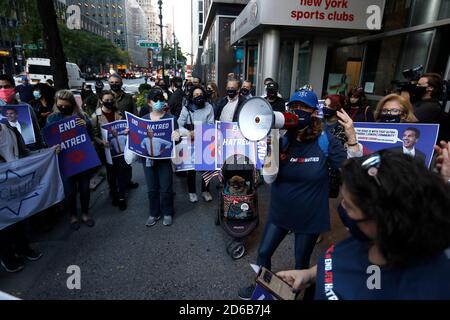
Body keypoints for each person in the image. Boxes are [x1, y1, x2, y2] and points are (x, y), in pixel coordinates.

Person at [277, 150, 450, 299]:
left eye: (349, 205)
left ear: (383, 220)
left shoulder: (423, 288)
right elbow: (344, 262)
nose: (341, 207)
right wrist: (310, 275)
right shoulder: (365, 238)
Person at [238, 89, 348, 300]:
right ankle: (263, 291)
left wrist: (352, 141)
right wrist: (273, 141)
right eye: (294, 106)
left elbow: (348, 166)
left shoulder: (325, 139)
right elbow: (269, 179)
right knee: (263, 253)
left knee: (301, 263)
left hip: (309, 215)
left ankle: (302, 297)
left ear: (314, 111)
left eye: (304, 107)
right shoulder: (283, 138)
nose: (298, 111)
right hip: (280, 212)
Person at [46, 90, 95, 230]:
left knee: (85, 189)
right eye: (60, 105)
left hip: (82, 160)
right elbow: (48, 139)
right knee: (70, 191)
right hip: (65, 161)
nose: (62, 108)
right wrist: (53, 148)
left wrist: (86, 126)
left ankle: (85, 213)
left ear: (72, 104)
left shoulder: (81, 116)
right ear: (56, 104)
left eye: (65, 106)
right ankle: (73, 215)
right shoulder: (52, 119)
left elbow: (91, 138)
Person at [141, 87, 180, 227]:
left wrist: (177, 136)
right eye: (155, 99)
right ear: (149, 103)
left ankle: (168, 212)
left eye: (161, 99)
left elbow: (175, 140)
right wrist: (130, 133)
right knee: (152, 188)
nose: (158, 101)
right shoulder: (144, 120)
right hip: (148, 161)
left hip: (164, 161)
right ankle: (154, 213)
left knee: (166, 187)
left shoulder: (170, 119)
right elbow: (138, 140)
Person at [91, 90, 129, 210]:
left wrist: (127, 131)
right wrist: (101, 142)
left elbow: (125, 127)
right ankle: (114, 193)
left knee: (121, 172)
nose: (109, 102)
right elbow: (93, 134)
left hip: (120, 149)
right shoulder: (95, 116)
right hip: (106, 150)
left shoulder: (118, 112)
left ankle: (122, 197)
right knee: (111, 174)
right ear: (101, 101)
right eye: (106, 100)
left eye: (111, 100)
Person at [178, 85, 215, 203]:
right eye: (195, 95)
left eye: (200, 94)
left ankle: (205, 190)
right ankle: (192, 192)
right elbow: (178, 124)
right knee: (191, 169)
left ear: (204, 95)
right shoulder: (186, 108)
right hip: (190, 140)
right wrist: (188, 133)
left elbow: (211, 124)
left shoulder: (209, 107)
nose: (198, 97)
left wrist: (198, 131)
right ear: (191, 97)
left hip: (205, 140)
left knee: (206, 167)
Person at [108, 74, 139, 189]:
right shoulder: (105, 97)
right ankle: (114, 187)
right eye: (111, 82)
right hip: (110, 135)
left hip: (126, 134)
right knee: (112, 163)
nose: (114, 84)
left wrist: (134, 129)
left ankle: (128, 180)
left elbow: (135, 114)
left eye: (116, 82)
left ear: (121, 83)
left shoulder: (128, 98)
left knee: (127, 160)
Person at [0, 74, 43, 150]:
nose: (3, 89)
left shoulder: (27, 108)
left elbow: (37, 134)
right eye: (0, 87)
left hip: (29, 152)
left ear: (13, 87)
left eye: (6, 86)